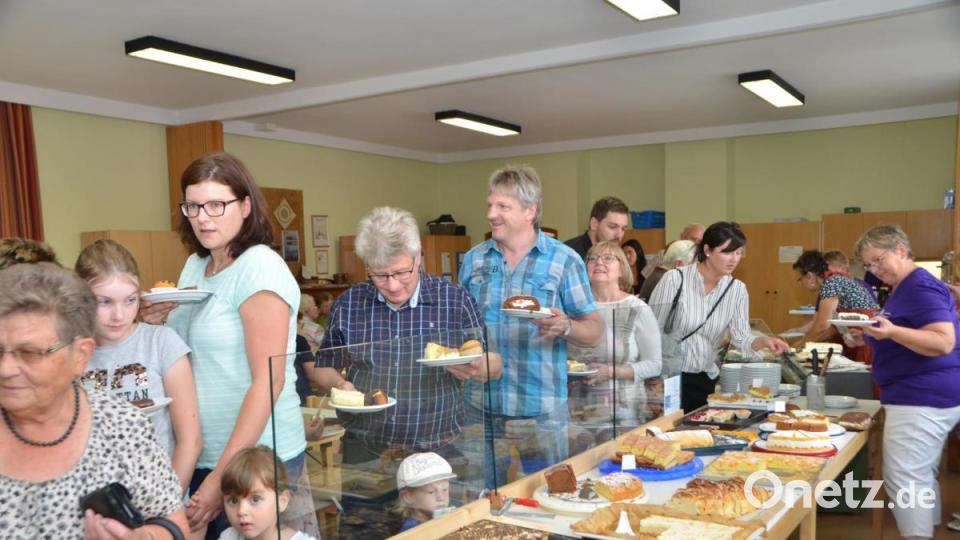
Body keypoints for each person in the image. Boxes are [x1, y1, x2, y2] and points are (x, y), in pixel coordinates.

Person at [140, 152, 312, 539]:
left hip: (254, 459)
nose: (203, 217)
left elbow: (268, 382)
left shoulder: (260, 268)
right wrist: (155, 323)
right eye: (193, 206)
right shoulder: (195, 267)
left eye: (217, 205)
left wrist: (221, 478)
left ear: (246, 205)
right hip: (200, 448)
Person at [0, 262, 187, 539]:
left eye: (29, 353)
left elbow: (173, 524)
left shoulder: (123, 427)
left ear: (80, 355)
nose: (5, 369)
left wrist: (142, 538)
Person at [314, 206, 498, 467]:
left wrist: (477, 367)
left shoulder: (454, 299)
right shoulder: (349, 303)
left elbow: (496, 364)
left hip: (440, 448)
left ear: (418, 257)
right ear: (367, 266)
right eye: (379, 275)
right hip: (366, 449)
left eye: (402, 272)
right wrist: (341, 385)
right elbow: (323, 367)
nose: (392, 285)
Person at [459, 165, 602, 485]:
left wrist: (565, 326)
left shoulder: (564, 260)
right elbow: (460, 328)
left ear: (530, 211)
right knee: (478, 502)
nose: (491, 214)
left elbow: (594, 330)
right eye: (490, 205)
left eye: (502, 207)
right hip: (481, 406)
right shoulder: (474, 260)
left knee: (548, 497)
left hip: (542, 410)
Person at [844, 224, 960, 540]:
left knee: (906, 478)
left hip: (920, 397)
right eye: (868, 265)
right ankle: (928, 525)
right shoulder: (907, 287)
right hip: (925, 393)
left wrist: (891, 332)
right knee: (921, 473)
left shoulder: (919, 286)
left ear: (901, 249)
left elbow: (942, 341)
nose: (875, 270)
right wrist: (870, 334)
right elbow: (911, 331)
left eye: (879, 260)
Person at [75, 239, 202, 493]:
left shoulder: (161, 342)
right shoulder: (71, 351)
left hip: (159, 493)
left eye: (130, 300)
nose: (119, 315)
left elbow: (191, 441)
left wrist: (169, 505)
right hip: (93, 499)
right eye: (105, 302)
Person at [648, 222, 788, 412]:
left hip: (704, 378)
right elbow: (651, 331)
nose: (734, 259)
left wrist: (764, 341)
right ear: (707, 250)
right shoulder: (675, 279)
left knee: (699, 436)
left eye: (738, 253)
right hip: (669, 378)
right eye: (726, 252)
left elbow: (741, 337)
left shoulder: (737, 290)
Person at [568, 242, 661, 436]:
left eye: (608, 258)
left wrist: (610, 372)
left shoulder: (637, 308)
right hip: (577, 411)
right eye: (592, 258)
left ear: (622, 269)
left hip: (623, 413)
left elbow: (655, 365)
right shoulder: (574, 308)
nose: (598, 262)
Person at [218, 446, 318, 540]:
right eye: (233, 500)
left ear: (282, 501)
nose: (241, 511)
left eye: (255, 499)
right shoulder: (228, 537)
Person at [787, 250, 878, 349]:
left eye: (800, 279)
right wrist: (803, 342)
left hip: (863, 341)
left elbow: (822, 326)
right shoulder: (834, 280)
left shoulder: (832, 283)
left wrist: (798, 347)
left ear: (810, 276)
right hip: (858, 339)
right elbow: (830, 328)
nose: (801, 284)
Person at [393, 452, 457, 533]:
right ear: (408, 497)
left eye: (445, 489)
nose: (441, 497)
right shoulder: (413, 532)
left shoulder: (438, 520)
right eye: (431, 492)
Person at [564, 196, 630, 261]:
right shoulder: (568, 253)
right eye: (612, 227)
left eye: (623, 229)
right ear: (594, 224)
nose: (619, 235)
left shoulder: (616, 256)